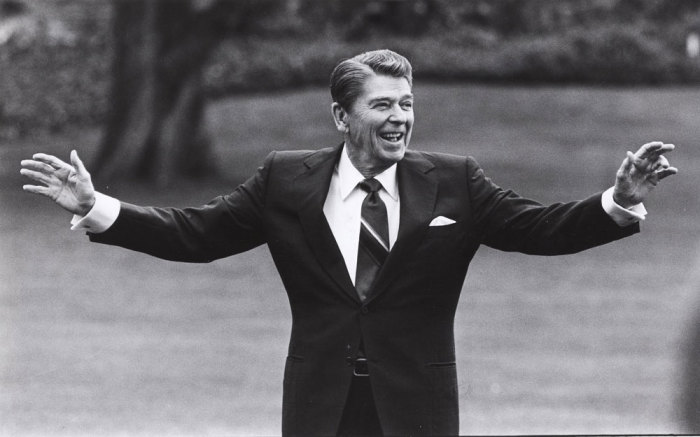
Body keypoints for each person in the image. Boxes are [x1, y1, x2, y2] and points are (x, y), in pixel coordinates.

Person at [20, 49, 677, 436]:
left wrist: (619, 201)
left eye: (407, 104)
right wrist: (97, 206)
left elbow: (541, 229)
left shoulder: (456, 182)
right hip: (320, 409)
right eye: (383, 105)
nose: (400, 118)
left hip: (416, 409)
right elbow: (197, 234)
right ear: (342, 116)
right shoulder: (284, 180)